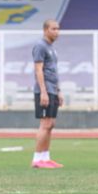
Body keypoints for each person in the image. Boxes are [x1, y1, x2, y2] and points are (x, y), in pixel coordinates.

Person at [31, 19, 64, 169]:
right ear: (45, 30)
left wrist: (58, 91)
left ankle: (46, 157)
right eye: (53, 29)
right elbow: (39, 70)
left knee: (50, 124)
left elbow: (53, 72)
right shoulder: (40, 46)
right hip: (44, 90)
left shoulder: (52, 48)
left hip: (52, 89)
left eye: (58, 29)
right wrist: (43, 92)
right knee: (44, 124)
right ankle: (37, 159)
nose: (57, 32)